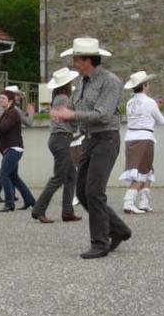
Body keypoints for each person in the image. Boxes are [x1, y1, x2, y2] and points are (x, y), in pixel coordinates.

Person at [51, 38, 132, 259]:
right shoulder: (82, 84)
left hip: (106, 140)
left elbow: (103, 114)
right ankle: (119, 230)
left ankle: (100, 243)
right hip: (89, 140)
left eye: (76, 59)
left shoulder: (110, 81)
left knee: (94, 191)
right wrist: (63, 118)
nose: (74, 63)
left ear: (87, 60)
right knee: (82, 192)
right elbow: (80, 120)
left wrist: (72, 114)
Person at [32, 68, 82, 223]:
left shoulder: (58, 98)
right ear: (67, 84)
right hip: (61, 139)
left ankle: (67, 212)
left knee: (71, 176)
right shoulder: (64, 99)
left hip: (58, 139)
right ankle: (38, 209)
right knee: (58, 177)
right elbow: (71, 119)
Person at [119, 71, 164, 214]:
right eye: (148, 84)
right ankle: (129, 202)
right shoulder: (150, 102)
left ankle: (144, 202)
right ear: (144, 85)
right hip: (144, 138)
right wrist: (156, 107)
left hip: (131, 137)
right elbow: (161, 120)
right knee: (141, 171)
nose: (149, 86)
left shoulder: (129, 102)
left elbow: (139, 115)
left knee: (147, 169)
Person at [0, 90, 36, 213]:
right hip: (10, 149)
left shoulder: (12, 113)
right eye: (0, 98)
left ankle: (9, 204)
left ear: (10, 101)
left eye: (4, 98)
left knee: (5, 175)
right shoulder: (7, 113)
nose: (1, 100)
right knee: (14, 177)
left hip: (13, 149)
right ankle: (30, 201)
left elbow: (3, 128)